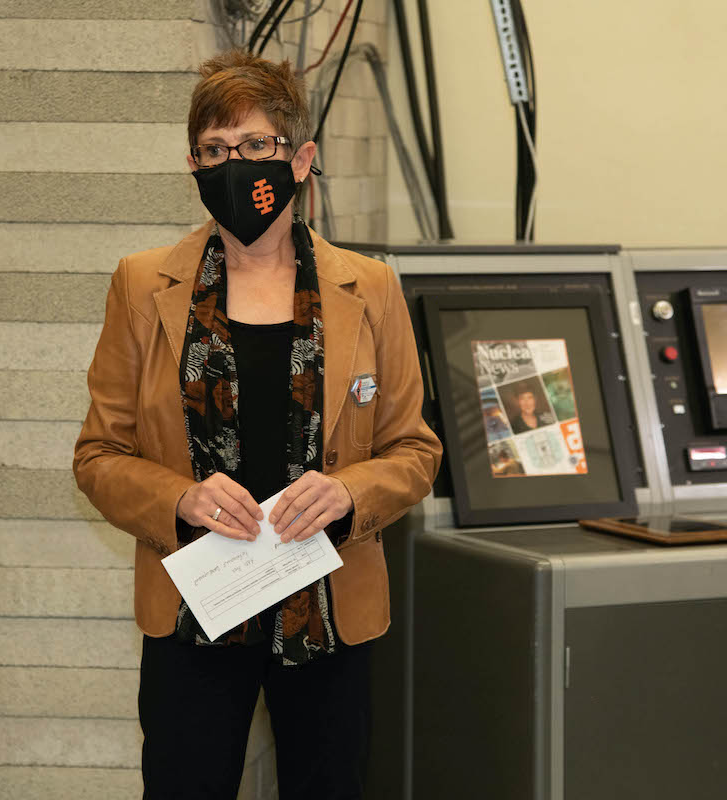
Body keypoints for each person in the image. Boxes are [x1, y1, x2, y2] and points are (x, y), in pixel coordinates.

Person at [72, 50, 442, 799]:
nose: (234, 166)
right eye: (214, 150)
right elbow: (99, 455)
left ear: (301, 159)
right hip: (195, 613)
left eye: (256, 147)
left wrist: (349, 494)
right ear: (193, 164)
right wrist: (178, 499)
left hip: (329, 611)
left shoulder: (369, 287)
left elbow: (415, 450)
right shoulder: (144, 285)